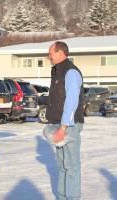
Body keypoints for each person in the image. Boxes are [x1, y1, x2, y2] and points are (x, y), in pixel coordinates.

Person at [45, 41, 84, 200]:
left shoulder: (71, 72)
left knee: (72, 166)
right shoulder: (57, 72)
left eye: (50, 53)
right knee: (62, 165)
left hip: (69, 125)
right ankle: (62, 196)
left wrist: (63, 127)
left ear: (60, 52)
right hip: (58, 124)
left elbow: (71, 101)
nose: (48, 57)